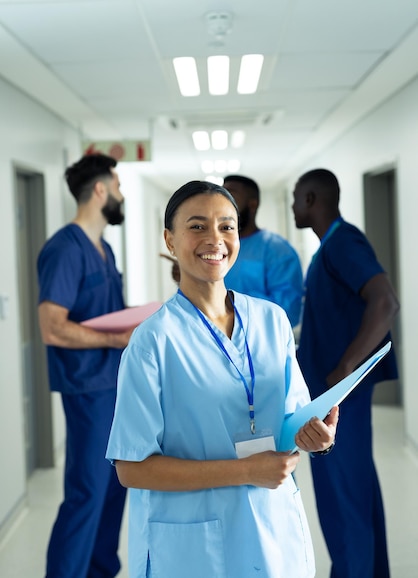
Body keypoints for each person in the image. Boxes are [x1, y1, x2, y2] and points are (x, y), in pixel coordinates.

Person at [106, 180, 338, 578]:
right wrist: (246, 471)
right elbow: (132, 468)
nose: (215, 239)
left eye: (226, 226)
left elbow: (294, 418)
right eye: (197, 226)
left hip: (270, 524)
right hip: (193, 543)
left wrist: (318, 437)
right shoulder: (152, 343)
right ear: (170, 240)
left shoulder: (271, 321)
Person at [292, 168, 400, 578]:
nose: (293, 205)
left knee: (344, 505)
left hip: (340, 402)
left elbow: (385, 302)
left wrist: (346, 365)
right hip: (334, 398)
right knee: (357, 497)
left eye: (296, 198)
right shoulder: (329, 248)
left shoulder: (342, 242)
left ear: (312, 200)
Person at [37, 153, 134, 578]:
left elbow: (109, 314)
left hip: (114, 385)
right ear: (100, 190)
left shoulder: (105, 249)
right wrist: (115, 338)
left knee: (115, 488)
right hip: (87, 389)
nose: (121, 194)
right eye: (117, 185)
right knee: (87, 492)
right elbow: (52, 328)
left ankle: (99, 571)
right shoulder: (64, 249)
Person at [223, 174, 303, 327]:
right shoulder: (216, 247)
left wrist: (233, 301)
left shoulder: (277, 250)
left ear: (252, 204)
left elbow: (289, 312)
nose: (222, 202)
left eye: (231, 195)